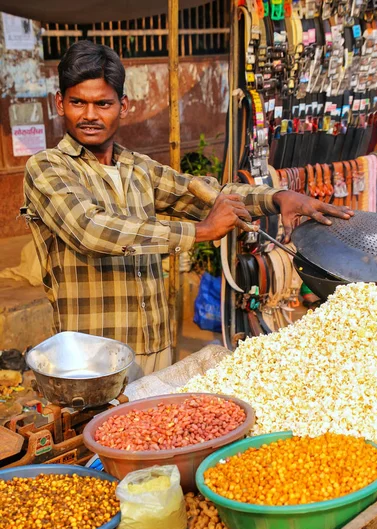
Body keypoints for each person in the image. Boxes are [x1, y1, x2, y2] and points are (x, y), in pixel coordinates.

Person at [22, 41, 353, 378]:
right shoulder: (47, 167)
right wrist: (202, 231)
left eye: (103, 104)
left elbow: (205, 194)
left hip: (155, 345)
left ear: (123, 106)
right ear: (60, 104)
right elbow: (91, 230)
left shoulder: (137, 168)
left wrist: (278, 198)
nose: (90, 115)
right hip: (90, 358)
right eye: (78, 102)